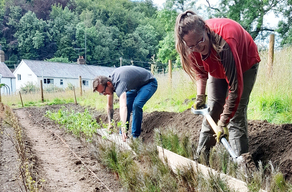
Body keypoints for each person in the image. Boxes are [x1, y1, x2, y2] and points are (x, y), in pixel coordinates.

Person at [175, 10, 260, 159]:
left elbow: (235, 89)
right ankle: (201, 159)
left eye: (200, 41)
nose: (198, 48)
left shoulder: (225, 42)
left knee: (236, 115)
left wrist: (223, 123)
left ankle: (241, 165)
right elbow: (201, 73)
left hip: (244, 62)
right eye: (192, 45)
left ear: (206, 31)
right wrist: (200, 97)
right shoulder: (191, 46)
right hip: (216, 67)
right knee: (213, 110)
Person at [93, 66, 158, 141]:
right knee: (128, 105)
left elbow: (123, 107)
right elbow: (110, 106)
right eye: (101, 93)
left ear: (108, 84)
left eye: (103, 92)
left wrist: (123, 126)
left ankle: (135, 137)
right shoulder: (110, 83)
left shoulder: (120, 83)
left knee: (136, 105)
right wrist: (110, 123)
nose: (104, 94)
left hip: (149, 83)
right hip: (135, 86)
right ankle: (123, 135)